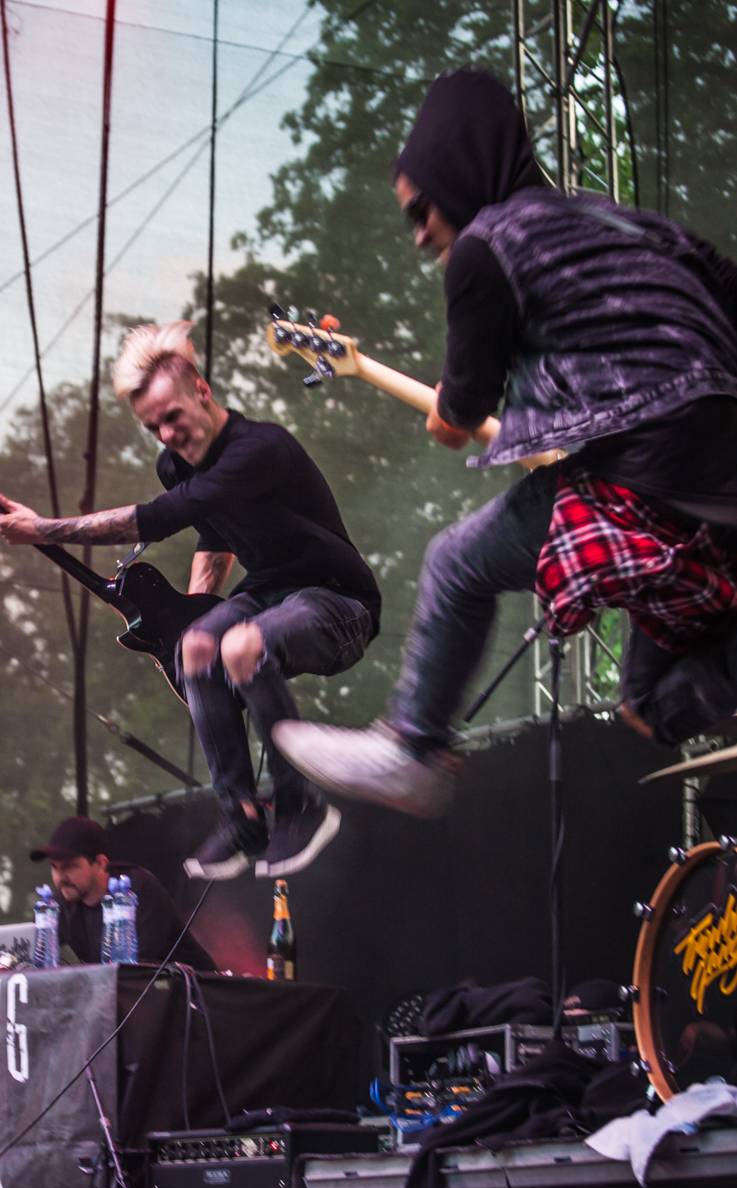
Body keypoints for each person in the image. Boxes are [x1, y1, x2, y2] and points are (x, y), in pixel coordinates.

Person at [274, 68, 737, 819]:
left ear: (459, 173)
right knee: (647, 702)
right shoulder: (631, 226)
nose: (420, 231)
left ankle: (412, 750)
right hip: (714, 481)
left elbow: (457, 416)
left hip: (647, 466)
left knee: (454, 564)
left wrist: (446, 418)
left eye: (420, 209)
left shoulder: (485, 247)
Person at [0, 321, 380, 879]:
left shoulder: (257, 448)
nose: (167, 434)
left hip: (339, 603)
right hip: (268, 594)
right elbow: (213, 531)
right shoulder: (177, 465)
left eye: (173, 417)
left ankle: (301, 804)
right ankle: (242, 815)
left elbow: (158, 518)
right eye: (154, 427)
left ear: (203, 391)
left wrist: (45, 530)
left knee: (241, 646)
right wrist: (198, 616)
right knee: (196, 649)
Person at [30, 815, 215, 969]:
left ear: (101, 863)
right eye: (54, 867)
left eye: (70, 866)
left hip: (196, 996)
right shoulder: (61, 902)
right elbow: (35, 958)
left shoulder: (136, 889)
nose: (60, 877)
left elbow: (135, 972)